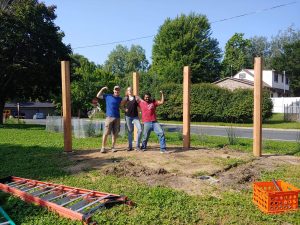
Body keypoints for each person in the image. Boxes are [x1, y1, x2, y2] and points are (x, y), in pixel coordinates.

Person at [96, 85, 123, 153]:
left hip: (117, 118)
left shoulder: (120, 99)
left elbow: (122, 106)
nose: (117, 91)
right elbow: (98, 96)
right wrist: (102, 89)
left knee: (115, 133)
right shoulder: (108, 96)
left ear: (119, 91)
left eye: (118, 90)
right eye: (115, 90)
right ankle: (103, 147)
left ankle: (113, 147)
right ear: (113, 90)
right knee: (106, 133)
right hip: (109, 117)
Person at [123, 87, 142, 151]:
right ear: (127, 91)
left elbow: (141, 103)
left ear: (132, 91)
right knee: (130, 131)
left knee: (140, 130)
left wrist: (141, 111)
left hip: (135, 117)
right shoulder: (126, 98)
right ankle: (130, 146)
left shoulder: (136, 97)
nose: (130, 91)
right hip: (128, 117)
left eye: (131, 90)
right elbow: (120, 105)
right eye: (128, 90)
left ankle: (137, 146)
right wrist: (124, 109)